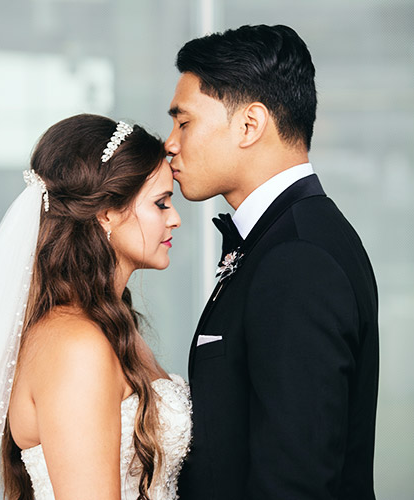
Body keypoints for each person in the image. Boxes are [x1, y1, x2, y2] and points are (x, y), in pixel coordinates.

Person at [0, 114, 191, 500]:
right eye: (161, 203)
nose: (175, 219)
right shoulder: (75, 345)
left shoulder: (108, 326)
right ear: (106, 214)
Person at [165, 24, 379, 499]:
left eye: (184, 122)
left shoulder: (298, 259)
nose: (170, 143)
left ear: (250, 124)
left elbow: (295, 481)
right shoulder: (293, 236)